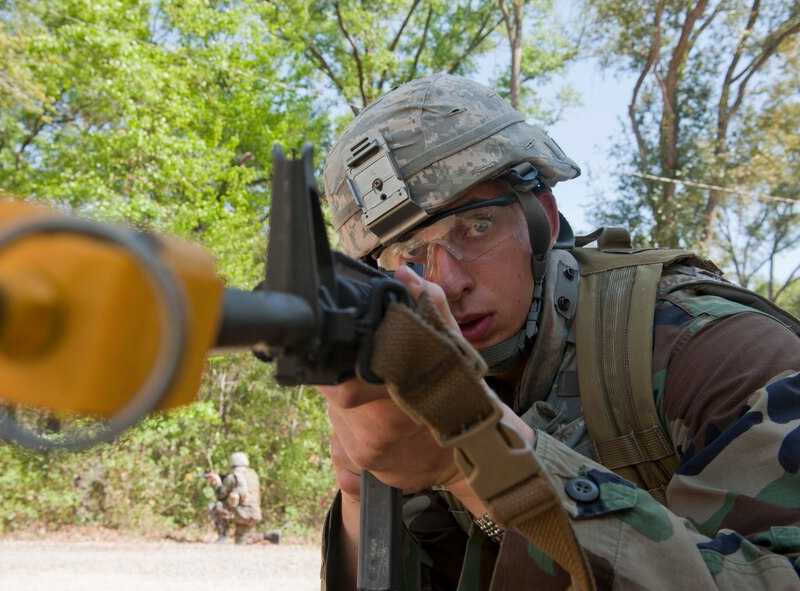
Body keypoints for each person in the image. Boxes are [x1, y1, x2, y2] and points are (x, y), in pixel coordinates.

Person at [317, 74, 800, 589]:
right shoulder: (413, 381)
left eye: (476, 227)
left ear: (540, 217)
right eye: (408, 254)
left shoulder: (710, 349)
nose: (447, 282)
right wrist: (357, 491)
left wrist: (477, 463)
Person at [206, 452, 280, 545]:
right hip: (255, 514)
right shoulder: (253, 475)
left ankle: (222, 537)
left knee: (216, 507)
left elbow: (221, 495)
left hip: (242, 514)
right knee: (242, 541)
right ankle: (269, 536)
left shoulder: (233, 476)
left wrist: (217, 483)